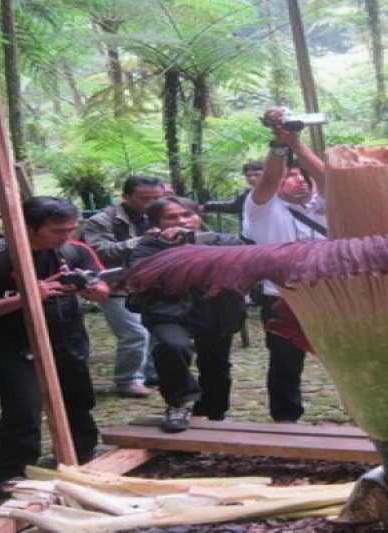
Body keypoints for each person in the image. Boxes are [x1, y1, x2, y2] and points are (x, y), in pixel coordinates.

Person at [0, 196, 109, 491]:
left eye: (71, 229)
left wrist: (90, 288)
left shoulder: (75, 251)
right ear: (26, 226)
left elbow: (104, 288)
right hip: (11, 344)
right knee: (23, 407)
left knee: (77, 400)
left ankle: (81, 453)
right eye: (57, 231)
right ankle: (11, 470)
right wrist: (26, 297)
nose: (66, 236)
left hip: (67, 336)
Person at [126, 196, 245, 432]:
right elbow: (141, 274)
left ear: (198, 216)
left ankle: (214, 412)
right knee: (172, 348)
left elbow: (243, 263)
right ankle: (179, 402)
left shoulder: (223, 241)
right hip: (166, 310)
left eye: (186, 215)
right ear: (158, 223)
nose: (181, 221)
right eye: (171, 217)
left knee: (216, 363)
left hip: (216, 310)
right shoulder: (149, 245)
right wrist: (168, 247)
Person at [242, 107, 327, 423]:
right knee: (285, 361)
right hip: (283, 297)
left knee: (350, 355)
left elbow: (326, 177)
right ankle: (286, 419)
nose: (298, 180)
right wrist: (279, 146)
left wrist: (297, 143)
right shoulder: (262, 207)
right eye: (289, 176)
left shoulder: (327, 204)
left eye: (300, 174)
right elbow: (269, 179)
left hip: (331, 293)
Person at [82, 175, 168, 398]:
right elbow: (97, 251)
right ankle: (128, 379)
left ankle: (152, 372)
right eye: (144, 198)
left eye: (157, 197)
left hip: (152, 283)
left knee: (156, 328)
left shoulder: (165, 214)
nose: (151, 203)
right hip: (115, 285)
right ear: (127, 196)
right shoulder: (102, 220)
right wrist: (140, 241)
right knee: (135, 332)